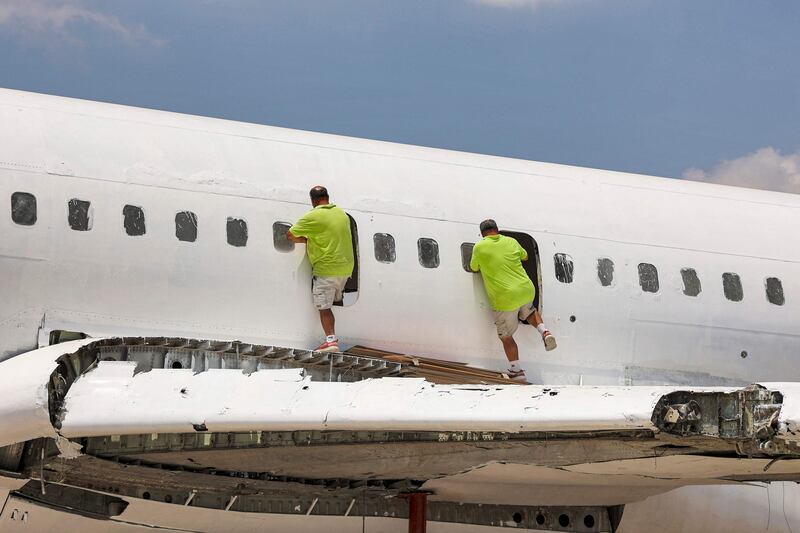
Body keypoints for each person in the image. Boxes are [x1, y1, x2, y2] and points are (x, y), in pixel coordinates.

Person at [470, 219, 556, 380]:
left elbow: (474, 267)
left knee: (506, 336)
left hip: (505, 297)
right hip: (525, 289)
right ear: (497, 229)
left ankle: (516, 370)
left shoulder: (479, 247)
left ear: (482, 234)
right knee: (529, 311)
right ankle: (545, 331)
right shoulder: (511, 241)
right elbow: (525, 256)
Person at [287, 186, 354, 352]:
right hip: (345, 269)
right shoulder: (341, 213)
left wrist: (307, 240)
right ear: (328, 197)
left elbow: (290, 235)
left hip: (326, 269)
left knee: (324, 307)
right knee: (332, 300)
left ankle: (331, 340)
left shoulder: (314, 216)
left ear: (313, 201)